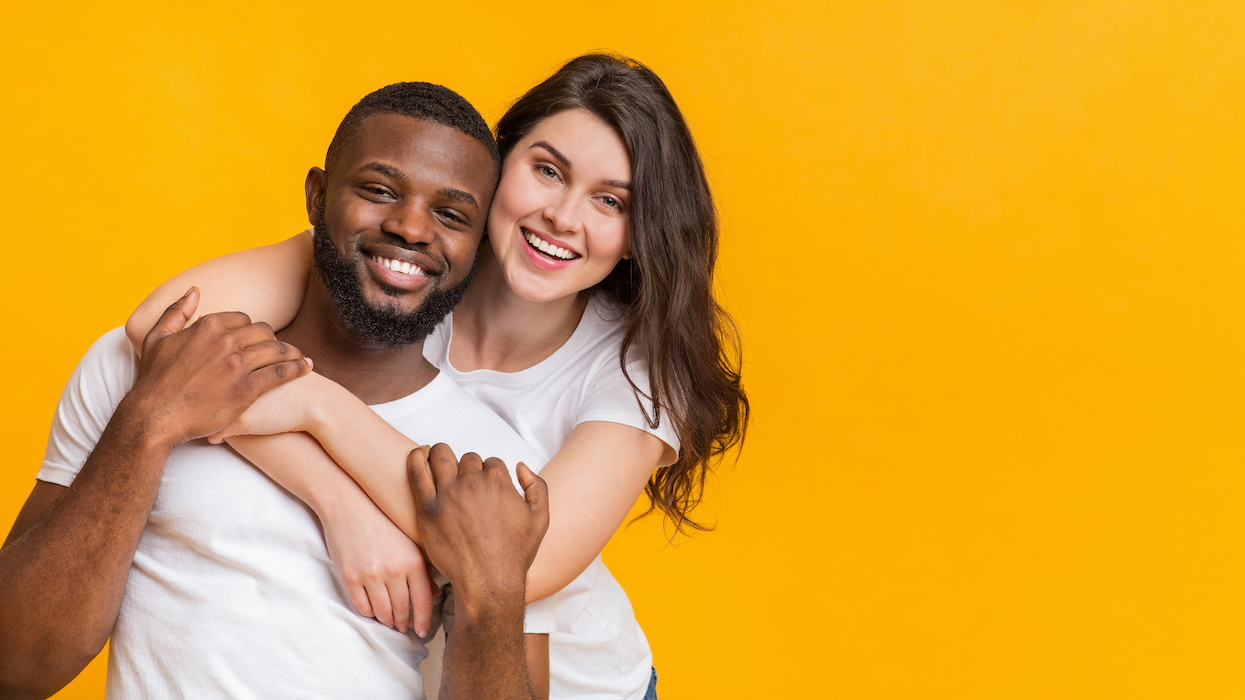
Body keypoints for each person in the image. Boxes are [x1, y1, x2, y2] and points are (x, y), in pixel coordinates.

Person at [127, 53, 750, 700]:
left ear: (635, 236)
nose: (564, 217)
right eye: (546, 171)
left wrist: (315, 404)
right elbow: (167, 331)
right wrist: (333, 501)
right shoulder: (408, 261)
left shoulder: (637, 369)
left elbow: (516, 562)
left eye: (608, 201)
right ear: (496, 168)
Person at [0, 82, 552, 700]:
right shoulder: (145, 367)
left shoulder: (496, 465)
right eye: (379, 191)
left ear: (478, 249)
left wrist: (493, 594)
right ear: (316, 196)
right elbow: (14, 665)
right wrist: (153, 422)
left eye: (451, 215)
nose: (410, 227)